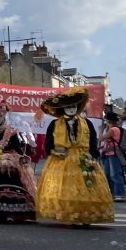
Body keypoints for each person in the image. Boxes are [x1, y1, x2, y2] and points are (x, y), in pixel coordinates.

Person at [36, 87, 114, 225]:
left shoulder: (87, 123)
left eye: (73, 106)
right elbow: (48, 143)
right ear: (63, 109)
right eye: (68, 107)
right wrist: (54, 150)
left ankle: (86, 214)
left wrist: (93, 156)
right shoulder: (55, 124)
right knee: (63, 188)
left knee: (87, 187)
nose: (71, 109)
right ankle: (68, 213)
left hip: (83, 158)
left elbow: (92, 142)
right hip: (61, 159)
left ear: (77, 107)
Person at [0, 101, 38, 221]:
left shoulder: (12, 132)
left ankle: (13, 211)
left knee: (8, 167)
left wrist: (19, 155)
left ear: (3, 117)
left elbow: (18, 149)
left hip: (11, 157)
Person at [99, 111, 124, 201]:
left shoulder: (113, 129)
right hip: (108, 154)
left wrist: (99, 130)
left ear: (108, 121)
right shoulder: (115, 129)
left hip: (113, 154)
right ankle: (112, 193)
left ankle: (119, 194)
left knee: (115, 174)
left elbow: (101, 138)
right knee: (108, 174)